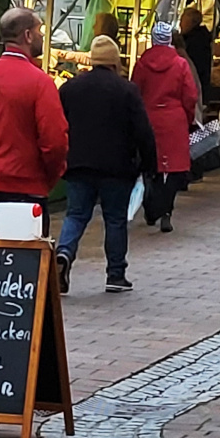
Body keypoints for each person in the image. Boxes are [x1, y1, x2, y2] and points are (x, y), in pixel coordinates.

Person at [55, 34, 156, 294]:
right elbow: (142, 130)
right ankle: (115, 274)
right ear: (115, 61)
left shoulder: (70, 89)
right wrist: (149, 164)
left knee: (76, 215)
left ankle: (64, 253)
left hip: (78, 164)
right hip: (117, 166)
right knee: (115, 219)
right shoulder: (127, 90)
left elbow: (58, 126)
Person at [0, 7, 68, 238]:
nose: (42, 37)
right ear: (27, 35)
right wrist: (48, 176)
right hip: (29, 186)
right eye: (39, 31)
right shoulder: (40, 82)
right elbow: (55, 140)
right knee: (28, 261)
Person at [131, 22, 198, 232]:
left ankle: (151, 206)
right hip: (173, 119)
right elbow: (190, 95)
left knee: (151, 165)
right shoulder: (180, 64)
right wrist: (188, 118)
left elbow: (134, 92)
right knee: (173, 168)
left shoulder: (142, 64)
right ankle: (166, 210)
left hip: (149, 117)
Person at [177, 6, 215, 103]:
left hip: (194, 89)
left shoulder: (196, 41)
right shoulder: (198, 37)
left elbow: (193, 68)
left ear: (191, 23)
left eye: (182, 20)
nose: (180, 24)